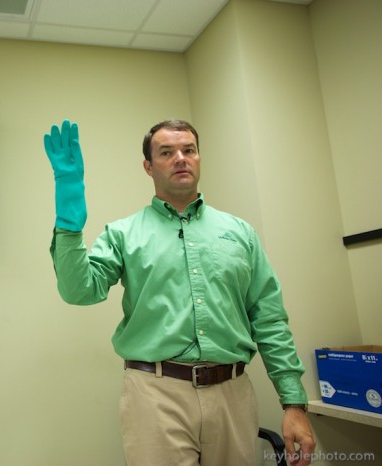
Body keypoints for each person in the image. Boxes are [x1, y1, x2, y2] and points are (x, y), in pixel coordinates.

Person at [44, 119, 316, 466]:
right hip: (155, 395)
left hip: (232, 392)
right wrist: (69, 215)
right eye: (167, 152)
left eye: (189, 150)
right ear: (148, 166)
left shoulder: (240, 233)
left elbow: (269, 317)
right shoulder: (123, 234)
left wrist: (293, 403)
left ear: (199, 158)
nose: (180, 158)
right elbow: (79, 291)